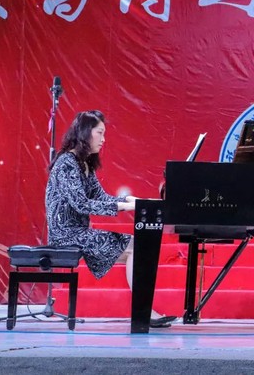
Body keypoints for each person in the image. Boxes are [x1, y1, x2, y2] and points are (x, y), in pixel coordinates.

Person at [45, 110, 175, 328]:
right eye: (100, 132)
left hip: (79, 233)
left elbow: (101, 197)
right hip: (66, 235)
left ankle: (144, 312)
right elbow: (81, 204)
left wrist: (131, 200)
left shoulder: (84, 163)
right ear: (85, 132)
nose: (103, 139)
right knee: (136, 247)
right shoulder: (67, 162)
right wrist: (123, 206)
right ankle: (144, 313)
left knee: (138, 247)